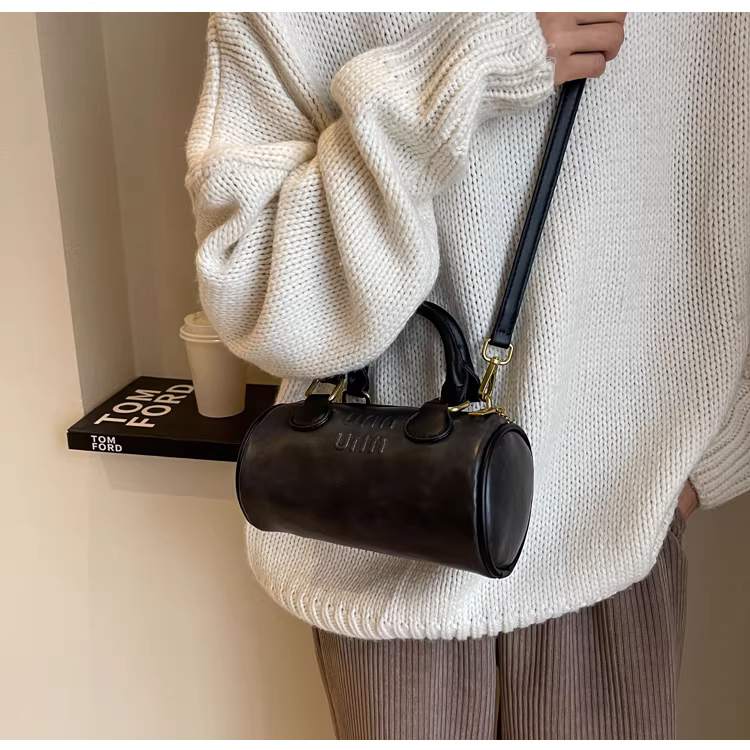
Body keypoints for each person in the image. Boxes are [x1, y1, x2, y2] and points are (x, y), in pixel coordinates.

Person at [186, 12, 750, 739]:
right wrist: (454, 73)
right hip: (387, 556)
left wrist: (715, 457)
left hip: (616, 543)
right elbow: (260, 296)